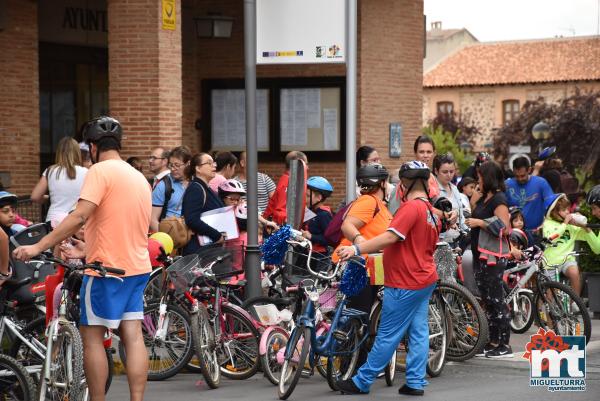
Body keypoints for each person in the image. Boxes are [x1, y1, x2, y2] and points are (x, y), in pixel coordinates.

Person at [13, 116, 152, 401]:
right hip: (137, 268)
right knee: (133, 336)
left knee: (92, 338)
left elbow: (79, 215)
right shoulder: (138, 177)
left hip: (105, 272)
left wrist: (39, 246)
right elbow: (128, 227)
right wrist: (86, 249)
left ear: (92, 146)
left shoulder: (100, 172)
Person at [335, 161, 440, 396]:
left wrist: (356, 249)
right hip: (424, 278)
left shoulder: (410, 208)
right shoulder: (431, 211)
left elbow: (392, 237)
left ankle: (362, 381)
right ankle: (415, 382)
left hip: (405, 281)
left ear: (405, 183)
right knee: (418, 331)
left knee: (387, 335)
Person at [465, 161, 512, 358]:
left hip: (492, 257)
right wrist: (474, 201)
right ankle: (492, 341)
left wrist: (479, 222)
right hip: (479, 254)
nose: (478, 180)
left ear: (489, 178)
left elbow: (504, 227)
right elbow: (473, 215)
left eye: (481, 177)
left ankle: (504, 343)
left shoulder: (499, 199)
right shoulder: (485, 198)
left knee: (496, 299)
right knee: (487, 300)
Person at [333, 164, 393, 313]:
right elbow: (347, 225)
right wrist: (359, 242)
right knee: (357, 317)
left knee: (368, 317)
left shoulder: (381, 205)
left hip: (373, 267)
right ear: (382, 183)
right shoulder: (368, 201)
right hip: (358, 268)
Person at [542, 193, 600, 296]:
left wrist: (585, 227)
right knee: (550, 294)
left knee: (574, 272)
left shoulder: (571, 227)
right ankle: (547, 310)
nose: (568, 212)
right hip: (550, 263)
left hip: (567, 260)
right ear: (553, 212)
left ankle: (575, 302)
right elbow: (552, 238)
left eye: (568, 209)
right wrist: (565, 224)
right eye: (564, 210)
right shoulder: (548, 224)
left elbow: (593, 243)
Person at [31, 137, 88, 223]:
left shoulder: (50, 170)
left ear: (59, 153)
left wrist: (48, 198)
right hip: (75, 221)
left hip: (54, 220)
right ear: (77, 152)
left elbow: (35, 197)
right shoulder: (86, 172)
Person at [181, 153, 225, 255]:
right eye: (209, 163)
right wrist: (217, 235)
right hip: (199, 250)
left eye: (213, 163)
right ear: (198, 168)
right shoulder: (196, 188)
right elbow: (192, 219)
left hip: (209, 249)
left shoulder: (207, 188)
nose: (214, 165)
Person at [389, 135, 440, 214]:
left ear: (434, 153)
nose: (425, 155)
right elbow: (393, 210)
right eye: (421, 152)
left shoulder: (433, 178)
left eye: (429, 152)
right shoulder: (407, 177)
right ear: (415, 153)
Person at [505, 156, 554, 237]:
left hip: (536, 233)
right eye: (516, 176)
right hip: (514, 234)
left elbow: (551, 205)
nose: (520, 179)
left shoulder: (541, 183)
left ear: (529, 170)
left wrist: (546, 223)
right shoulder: (507, 185)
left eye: (522, 176)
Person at [150, 146, 191, 232]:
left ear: (188, 164)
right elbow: (152, 219)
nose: (173, 169)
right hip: (170, 237)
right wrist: (165, 239)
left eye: (177, 165)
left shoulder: (195, 183)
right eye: (171, 165)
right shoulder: (163, 185)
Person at [263, 151, 308, 226]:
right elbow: (281, 212)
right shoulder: (288, 182)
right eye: (306, 164)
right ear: (298, 164)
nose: (307, 167)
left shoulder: (289, 180)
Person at [433, 153, 467, 245]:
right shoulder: (432, 189)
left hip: (456, 240)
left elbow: (461, 215)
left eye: (451, 171)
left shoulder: (454, 188)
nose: (449, 175)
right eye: (444, 172)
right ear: (436, 171)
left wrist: (466, 230)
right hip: (439, 240)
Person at [301, 176, 334, 272]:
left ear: (319, 198)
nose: (305, 199)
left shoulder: (323, 215)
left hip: (321, 257)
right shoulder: (311, 211)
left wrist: (311, 236)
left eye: (307, 196)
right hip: (310, 253)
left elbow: (329, 240)